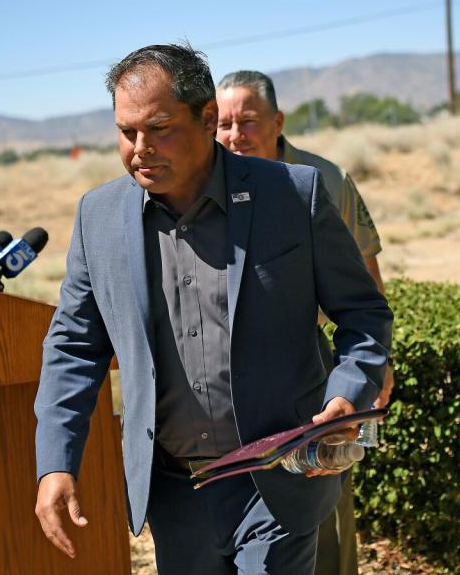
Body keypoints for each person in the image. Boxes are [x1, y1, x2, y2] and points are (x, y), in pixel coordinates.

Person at [33, 43, 393, 575]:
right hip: (176, 492)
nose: (139, 149)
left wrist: (348, 392)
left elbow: (363, 312)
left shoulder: (294, 196)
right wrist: (55, 463)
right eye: (126, 132)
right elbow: (74, 347)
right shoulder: (99, 217)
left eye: (158, 129)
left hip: (278, 478)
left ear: (206, 119)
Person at [216, 70, 390, 575]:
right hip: (228, 378)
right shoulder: (205, 180)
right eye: (224, 124)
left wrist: (380, 364)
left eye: (248, 122)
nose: (235, 135)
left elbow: (364, 279)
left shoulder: (323, 179)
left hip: (310, 363)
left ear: (277, 122)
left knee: (323, 493)